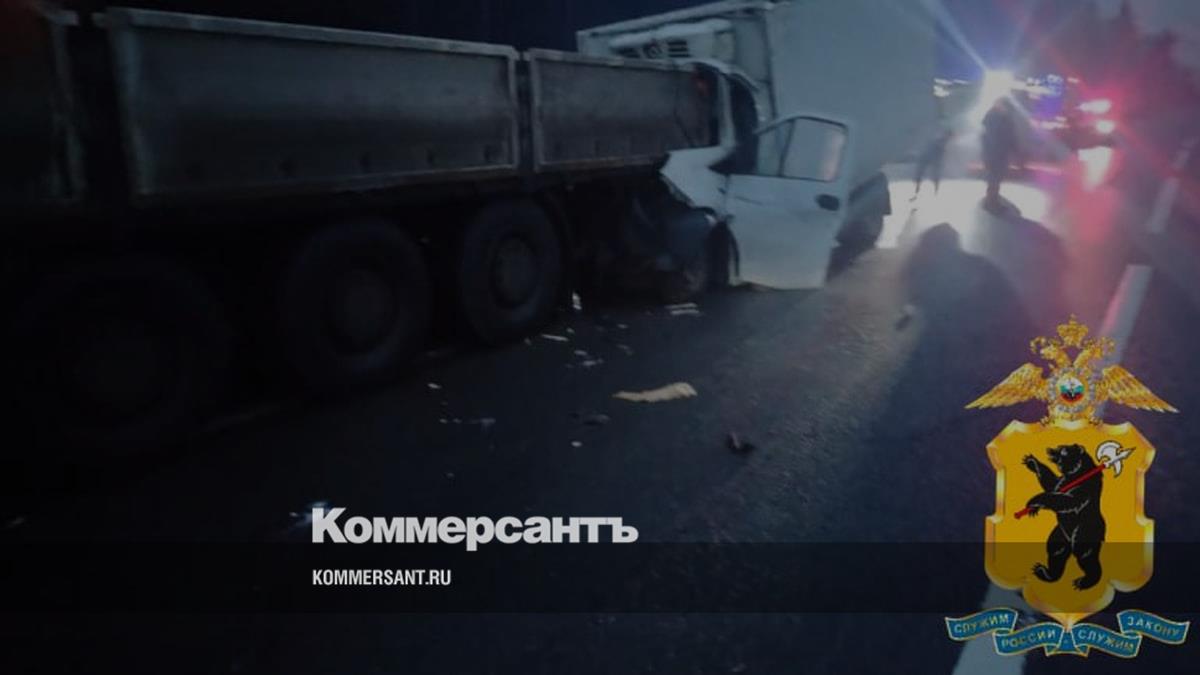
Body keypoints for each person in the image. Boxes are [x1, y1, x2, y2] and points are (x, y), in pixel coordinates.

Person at [981, 98, 1019, 211]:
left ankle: (992, 200)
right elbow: (996, 137)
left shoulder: (1001, 118)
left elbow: (1010, 137)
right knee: (994, 177)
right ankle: (991, 202)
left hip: (997, 153)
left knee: (996, 178)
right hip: (995, 153)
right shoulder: (995, 118)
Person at [911, 121, 953, 199]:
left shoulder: (942, 139)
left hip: (930, 157)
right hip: (928, 156)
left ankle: (932, 190)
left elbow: (940, 151)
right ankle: (921, 188)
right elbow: (938, 149)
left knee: (930, 173)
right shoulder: (940, 139)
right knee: (927, 173)